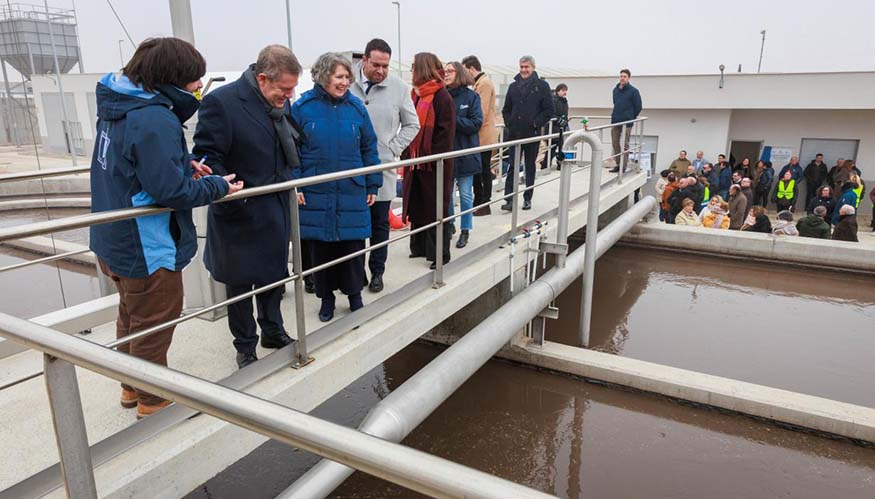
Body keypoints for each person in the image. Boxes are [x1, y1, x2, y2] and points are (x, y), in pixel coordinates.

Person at [90, 38, 241, 417]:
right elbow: (171, 191)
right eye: (194, 79)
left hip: (113, 239)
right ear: (172, 78)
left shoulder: (119, 104)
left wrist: (181, 161)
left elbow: (133, 160)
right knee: (155, 322)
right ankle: (152, 401)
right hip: (146, 244)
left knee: (131, 316)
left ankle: (129, 385)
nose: (198, 86)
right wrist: (218, 186)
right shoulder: (154, 118)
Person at [194, 45, 301, 369]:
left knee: (273, 275)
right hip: (239, 211)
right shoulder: (221, 103)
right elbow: (207, 156)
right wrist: (228, 190)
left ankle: (272, 330)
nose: (289, 95)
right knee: (239, 285)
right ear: (263, 78)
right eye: (284, 89)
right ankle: (245, 347)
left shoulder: (278, 101)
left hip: (274, 207)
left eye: (292, 89)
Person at [292, 53, 381, 323]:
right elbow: (291, 151)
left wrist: (373, 183)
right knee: (321, 250)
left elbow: (369, 147)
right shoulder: (302, 108)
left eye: (347, 77)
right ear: (323, 76)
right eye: (339, 77)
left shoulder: (356, 108)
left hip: (351, 190)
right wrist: (296, 185)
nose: (344, 82)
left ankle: (355, 295)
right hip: (315, 189)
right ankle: (326, 299)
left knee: (352, 247)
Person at [349, 39, 420, 294]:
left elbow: (413, 124)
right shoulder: (346, 84)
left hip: (382, 168)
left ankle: (377, 271)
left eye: (385, 66)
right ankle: (356, 275)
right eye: (376, 65)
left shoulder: (399, 88)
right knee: (354, 227)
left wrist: (392, 148)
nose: (381, 71)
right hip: (351, 170)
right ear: (364, 60)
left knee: (380, 224)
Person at [402, 52, 456, 269]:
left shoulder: (442, 97)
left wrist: (429, 156)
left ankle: (440, 254)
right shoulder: (414, 94)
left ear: (422, 69)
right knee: (417, 204)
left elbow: (445, 134)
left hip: (434, 164)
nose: (411, 71)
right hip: (416, 161)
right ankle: (419, 247)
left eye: (413, 67)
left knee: (435, 207)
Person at [500, 55, 554, 211]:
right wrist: (509, 123)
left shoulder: (542, 86)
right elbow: (506, 109)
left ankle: (527, 198)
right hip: (515, 134)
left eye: (526, 67)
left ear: (533, 68)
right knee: (512, 166)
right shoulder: (513, 86)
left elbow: (549, 110)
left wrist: (535, 123)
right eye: (522, 67)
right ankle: (509, 199)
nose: (524, 70)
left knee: (530, 167)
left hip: (532, 133)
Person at [444, 61, 483, 249]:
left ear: (458, 73)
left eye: (450, 71)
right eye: (444, 71)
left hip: (466, 153)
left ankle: (465, 229)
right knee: (447, 194)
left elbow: (476, 123)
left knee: (466, 195)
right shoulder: (442, 96)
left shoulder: (471, 97)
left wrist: (453, 120)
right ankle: (450, 224)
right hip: (447, 153)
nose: (446, 74)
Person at [462, 56, 497, 216]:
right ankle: (479, 201)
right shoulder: (480, 83)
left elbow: (480, 112)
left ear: (471, 69)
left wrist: (467, 122)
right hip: (480, 136)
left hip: (483, 135)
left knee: (483, 170)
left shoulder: (484, 84)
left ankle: (484, 203)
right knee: (479, 170)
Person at [609, 68, 642, 173]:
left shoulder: (634, 91)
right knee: (615, 143)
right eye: (621, 76)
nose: (622, 78)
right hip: (616, 120)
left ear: (628, 78)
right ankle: (618, 164)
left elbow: (638, 106)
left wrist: (631, 117)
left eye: (624, 76)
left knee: (625, 144)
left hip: (627, 122)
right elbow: (615, 103)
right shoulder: (615, 90)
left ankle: (623, 166)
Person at [541, 83, 569, 169]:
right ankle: (545, 165)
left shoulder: (564, 101)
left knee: (560, 147)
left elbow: (564, 114)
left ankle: (557, 164)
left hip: (560, 129)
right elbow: (550, 114)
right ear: (558, 91)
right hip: (552, 128)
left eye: (566, 90)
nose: (565, 92)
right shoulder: (553, 100)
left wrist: (565, 121)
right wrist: (560, 120)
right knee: (552, 148)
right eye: (563, 90)